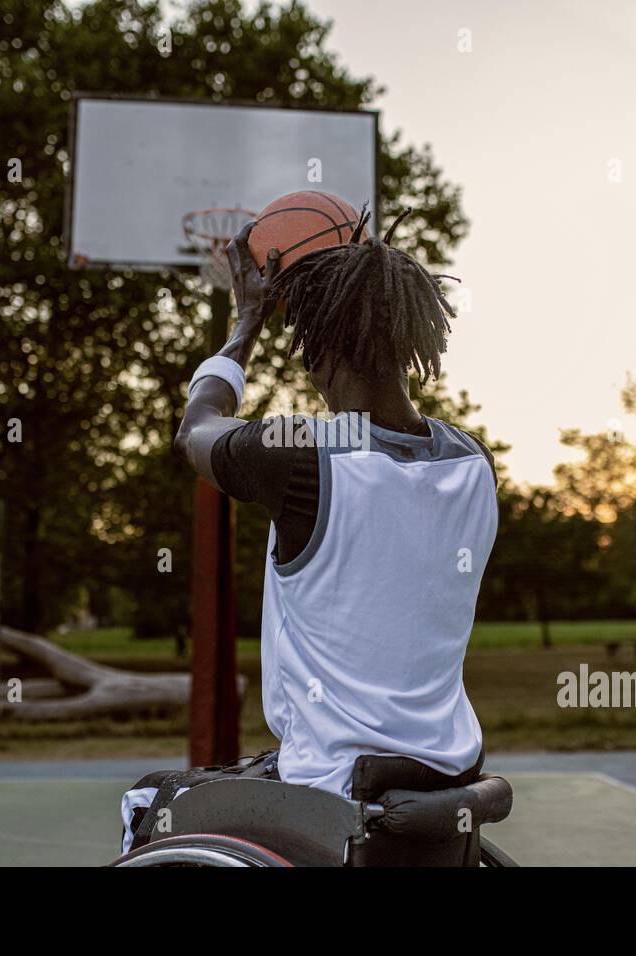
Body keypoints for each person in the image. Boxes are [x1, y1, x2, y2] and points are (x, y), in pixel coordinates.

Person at [118, 207, 497, 855]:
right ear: (413, 336)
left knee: (151, 801)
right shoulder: (474, 464)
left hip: (333, 790)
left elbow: (196, 429)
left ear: (317, 349)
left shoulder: (302, 456)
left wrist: (246, 320)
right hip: (448, 776)